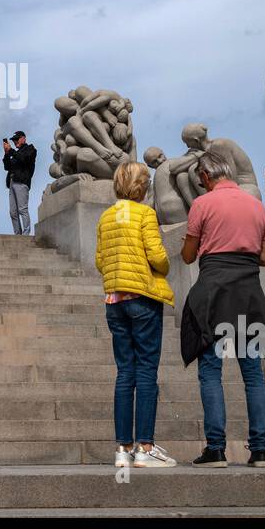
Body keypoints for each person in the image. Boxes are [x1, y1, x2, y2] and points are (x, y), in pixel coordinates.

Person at [180, 151, 265, 468]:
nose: (200, 184)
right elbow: (264, 258)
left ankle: (216, 449)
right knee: (254, 376)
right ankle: (260, 451)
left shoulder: (202, 205)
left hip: (214, 295)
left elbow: (189, 256)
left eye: (199, 180)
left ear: (206, 176)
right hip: (249, 294)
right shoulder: (257, 207)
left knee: (210, 373)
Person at [95, 161, 176, 468]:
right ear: (142, 187)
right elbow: (157, 256)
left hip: (114, 300)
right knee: (146, 371)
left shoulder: (106, 216)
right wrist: (164, 265)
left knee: (124, 372)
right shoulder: (145, 214)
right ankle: (145, 446)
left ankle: (122, 449)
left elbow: (100, 260)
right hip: (142, 298)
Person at [3, 131, 37, 236]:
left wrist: (11, 151)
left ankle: (26, 234)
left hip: (22, 182)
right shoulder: (14, 153)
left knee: (22, 209)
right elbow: (7, 167)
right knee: (13, 212)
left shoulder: (30, 149)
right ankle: (17, 234)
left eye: (17, 139)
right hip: (12, 182)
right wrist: (6, 154)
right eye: (13, 140)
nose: (15, 142)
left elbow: (24, 159)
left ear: (23, 138)